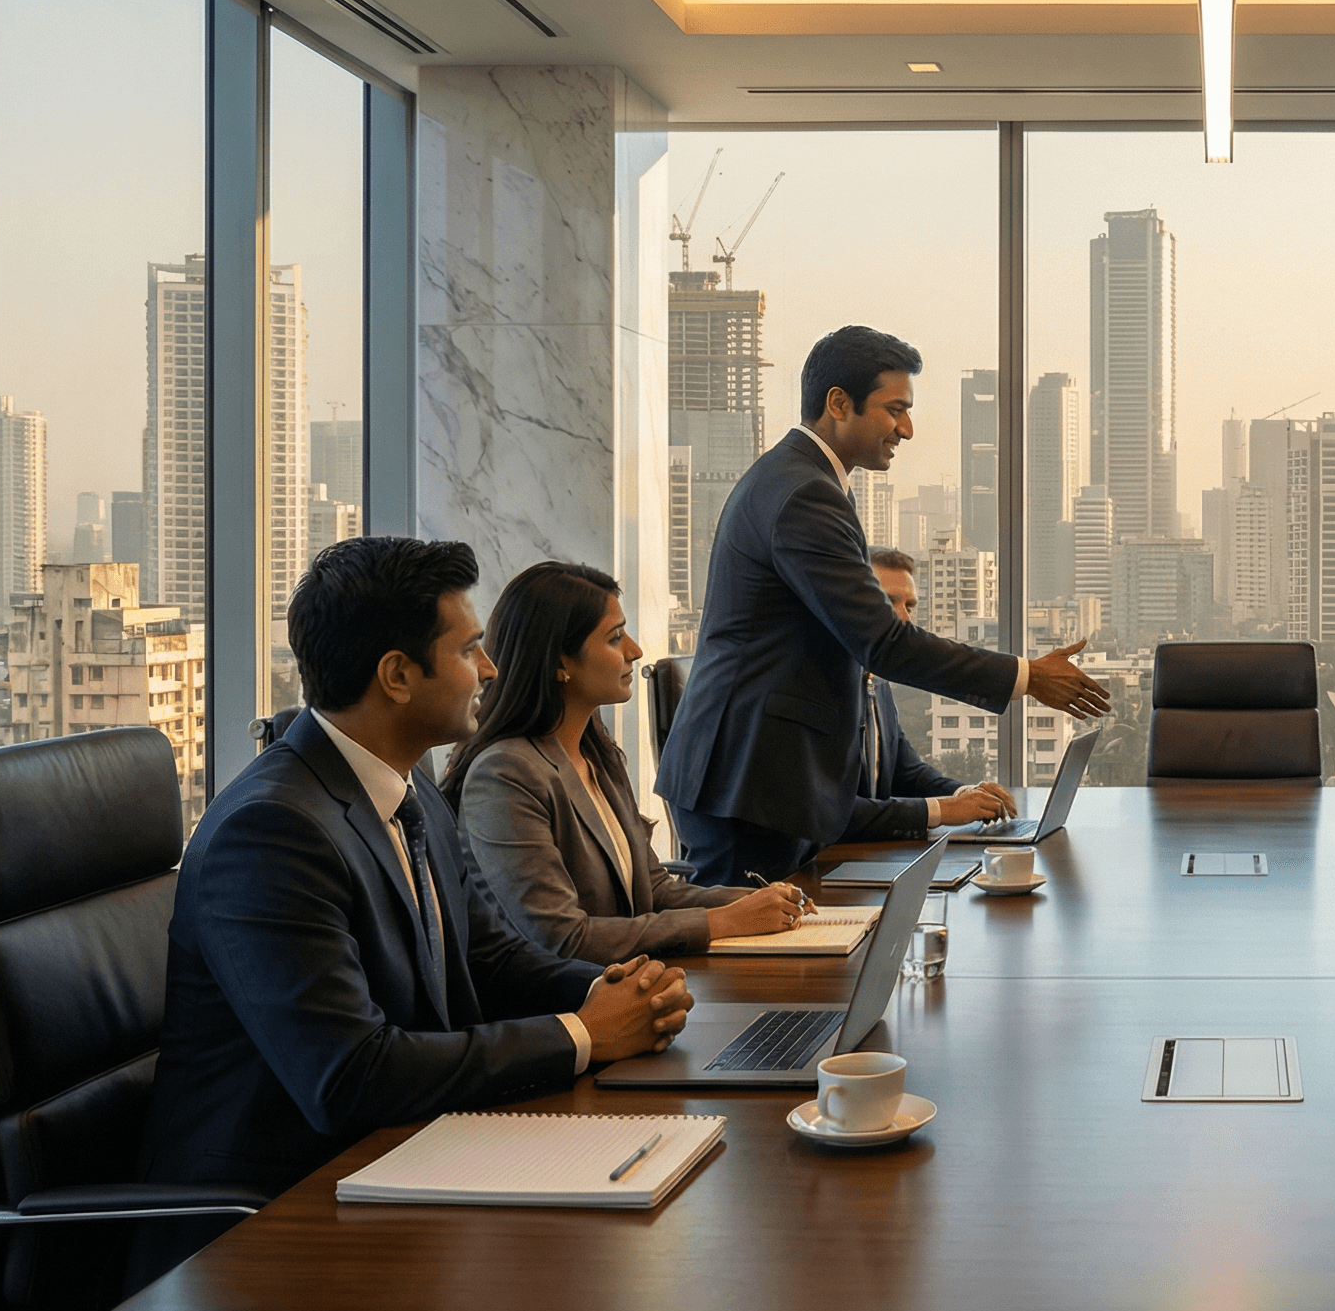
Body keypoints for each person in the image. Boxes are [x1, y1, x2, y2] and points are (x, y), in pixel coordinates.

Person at [135, 539, 693, 1277]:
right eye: (470, 650)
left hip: (404, 1160)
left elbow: (489, 955)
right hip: (271, 1227)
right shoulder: (270, 832)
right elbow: (350, 1076)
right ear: (397, 675)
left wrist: (607, 992)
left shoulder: (409, 785)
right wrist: (583, 1036)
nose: (490, 671)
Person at [655, 325, 1112, 883]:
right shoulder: (805, 493)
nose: (908, 429)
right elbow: (883, 642)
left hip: (759, 775)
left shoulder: (806, 481)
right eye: (895, 409)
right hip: (748, 780)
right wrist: (1026, 677)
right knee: (750, 960)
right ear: (838, 404)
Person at [446, 561, 812, 962]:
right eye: (615, 638)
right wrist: (725, 922)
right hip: (571, 1009)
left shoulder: (596, 753)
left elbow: (653, 891)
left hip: (640, 984)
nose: (635, 652)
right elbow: (561, 938)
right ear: (559, 662)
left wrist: (757, 900)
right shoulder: (505, 774)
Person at [844, 547, 1019, 840]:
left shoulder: (877, 684)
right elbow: (833, 813)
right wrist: (940, 811)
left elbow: (909, 774)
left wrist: (965, 794)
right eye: (888, 601)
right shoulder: (824, 693)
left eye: (909, 605)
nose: (903, 618)